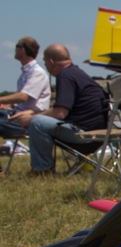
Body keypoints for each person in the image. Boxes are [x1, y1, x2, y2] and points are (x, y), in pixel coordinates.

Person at [11, 44, 106, 174]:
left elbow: (60, 113)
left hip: (84, 135)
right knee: (37, 119)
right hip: (96, 133)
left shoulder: (65, 76)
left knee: (37, 123)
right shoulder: (76, 73)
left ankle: (42, 170)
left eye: (45, 62)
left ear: (51, 62)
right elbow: (62, 109)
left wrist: (31, 118)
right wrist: (33, 112)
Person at [0, 37, 51, 178]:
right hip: (19, 115)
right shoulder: (27, 72)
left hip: (28, 120)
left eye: (16, 46)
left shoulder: (36, 72)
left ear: (22, 50)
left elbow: (23, 97)